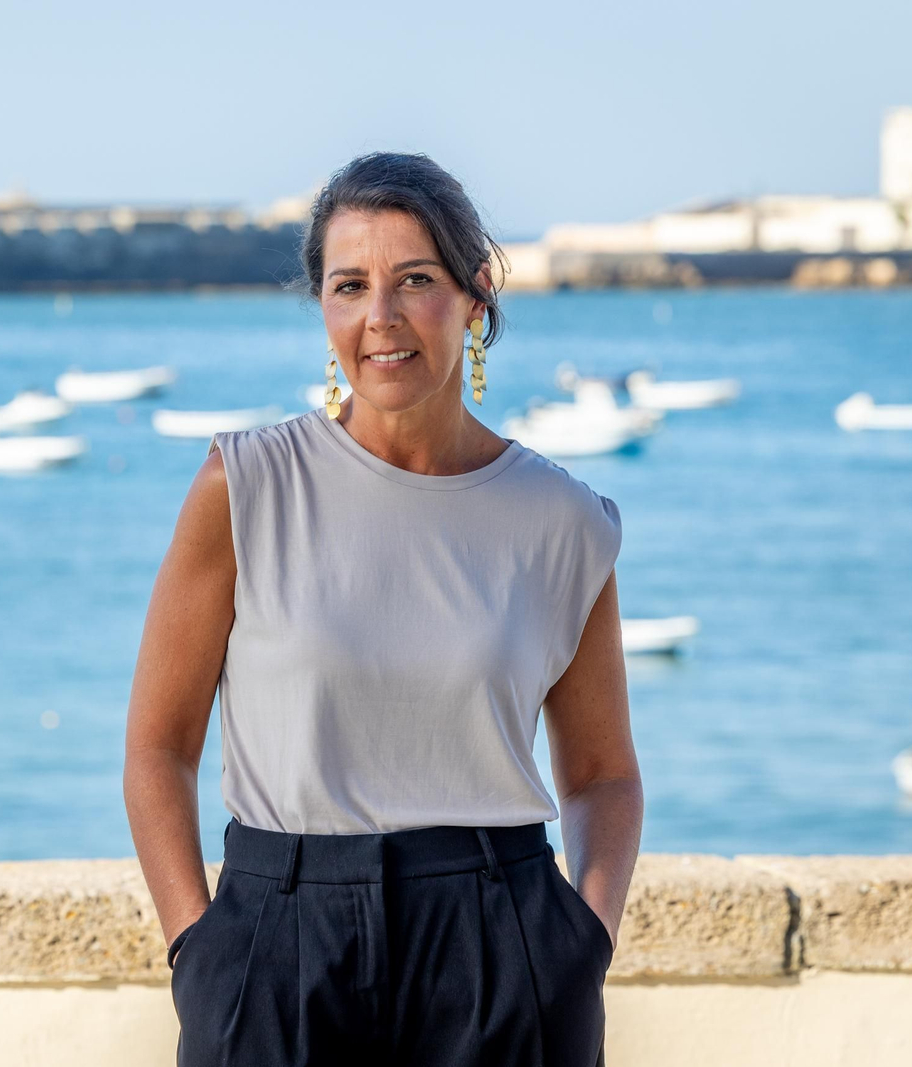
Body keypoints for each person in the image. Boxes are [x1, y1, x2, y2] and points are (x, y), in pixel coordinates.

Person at [123, 151, 643, 1067]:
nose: (381, 318)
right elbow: (160, 745)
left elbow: (602, 772)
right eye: (350, 285)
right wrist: (196, 949)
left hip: (500, 944)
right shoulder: (245, 488)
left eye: (416, 281)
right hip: (277, 945)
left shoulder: (561, 521)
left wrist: (581, 945)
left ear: (476, 295)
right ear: (322, 305)